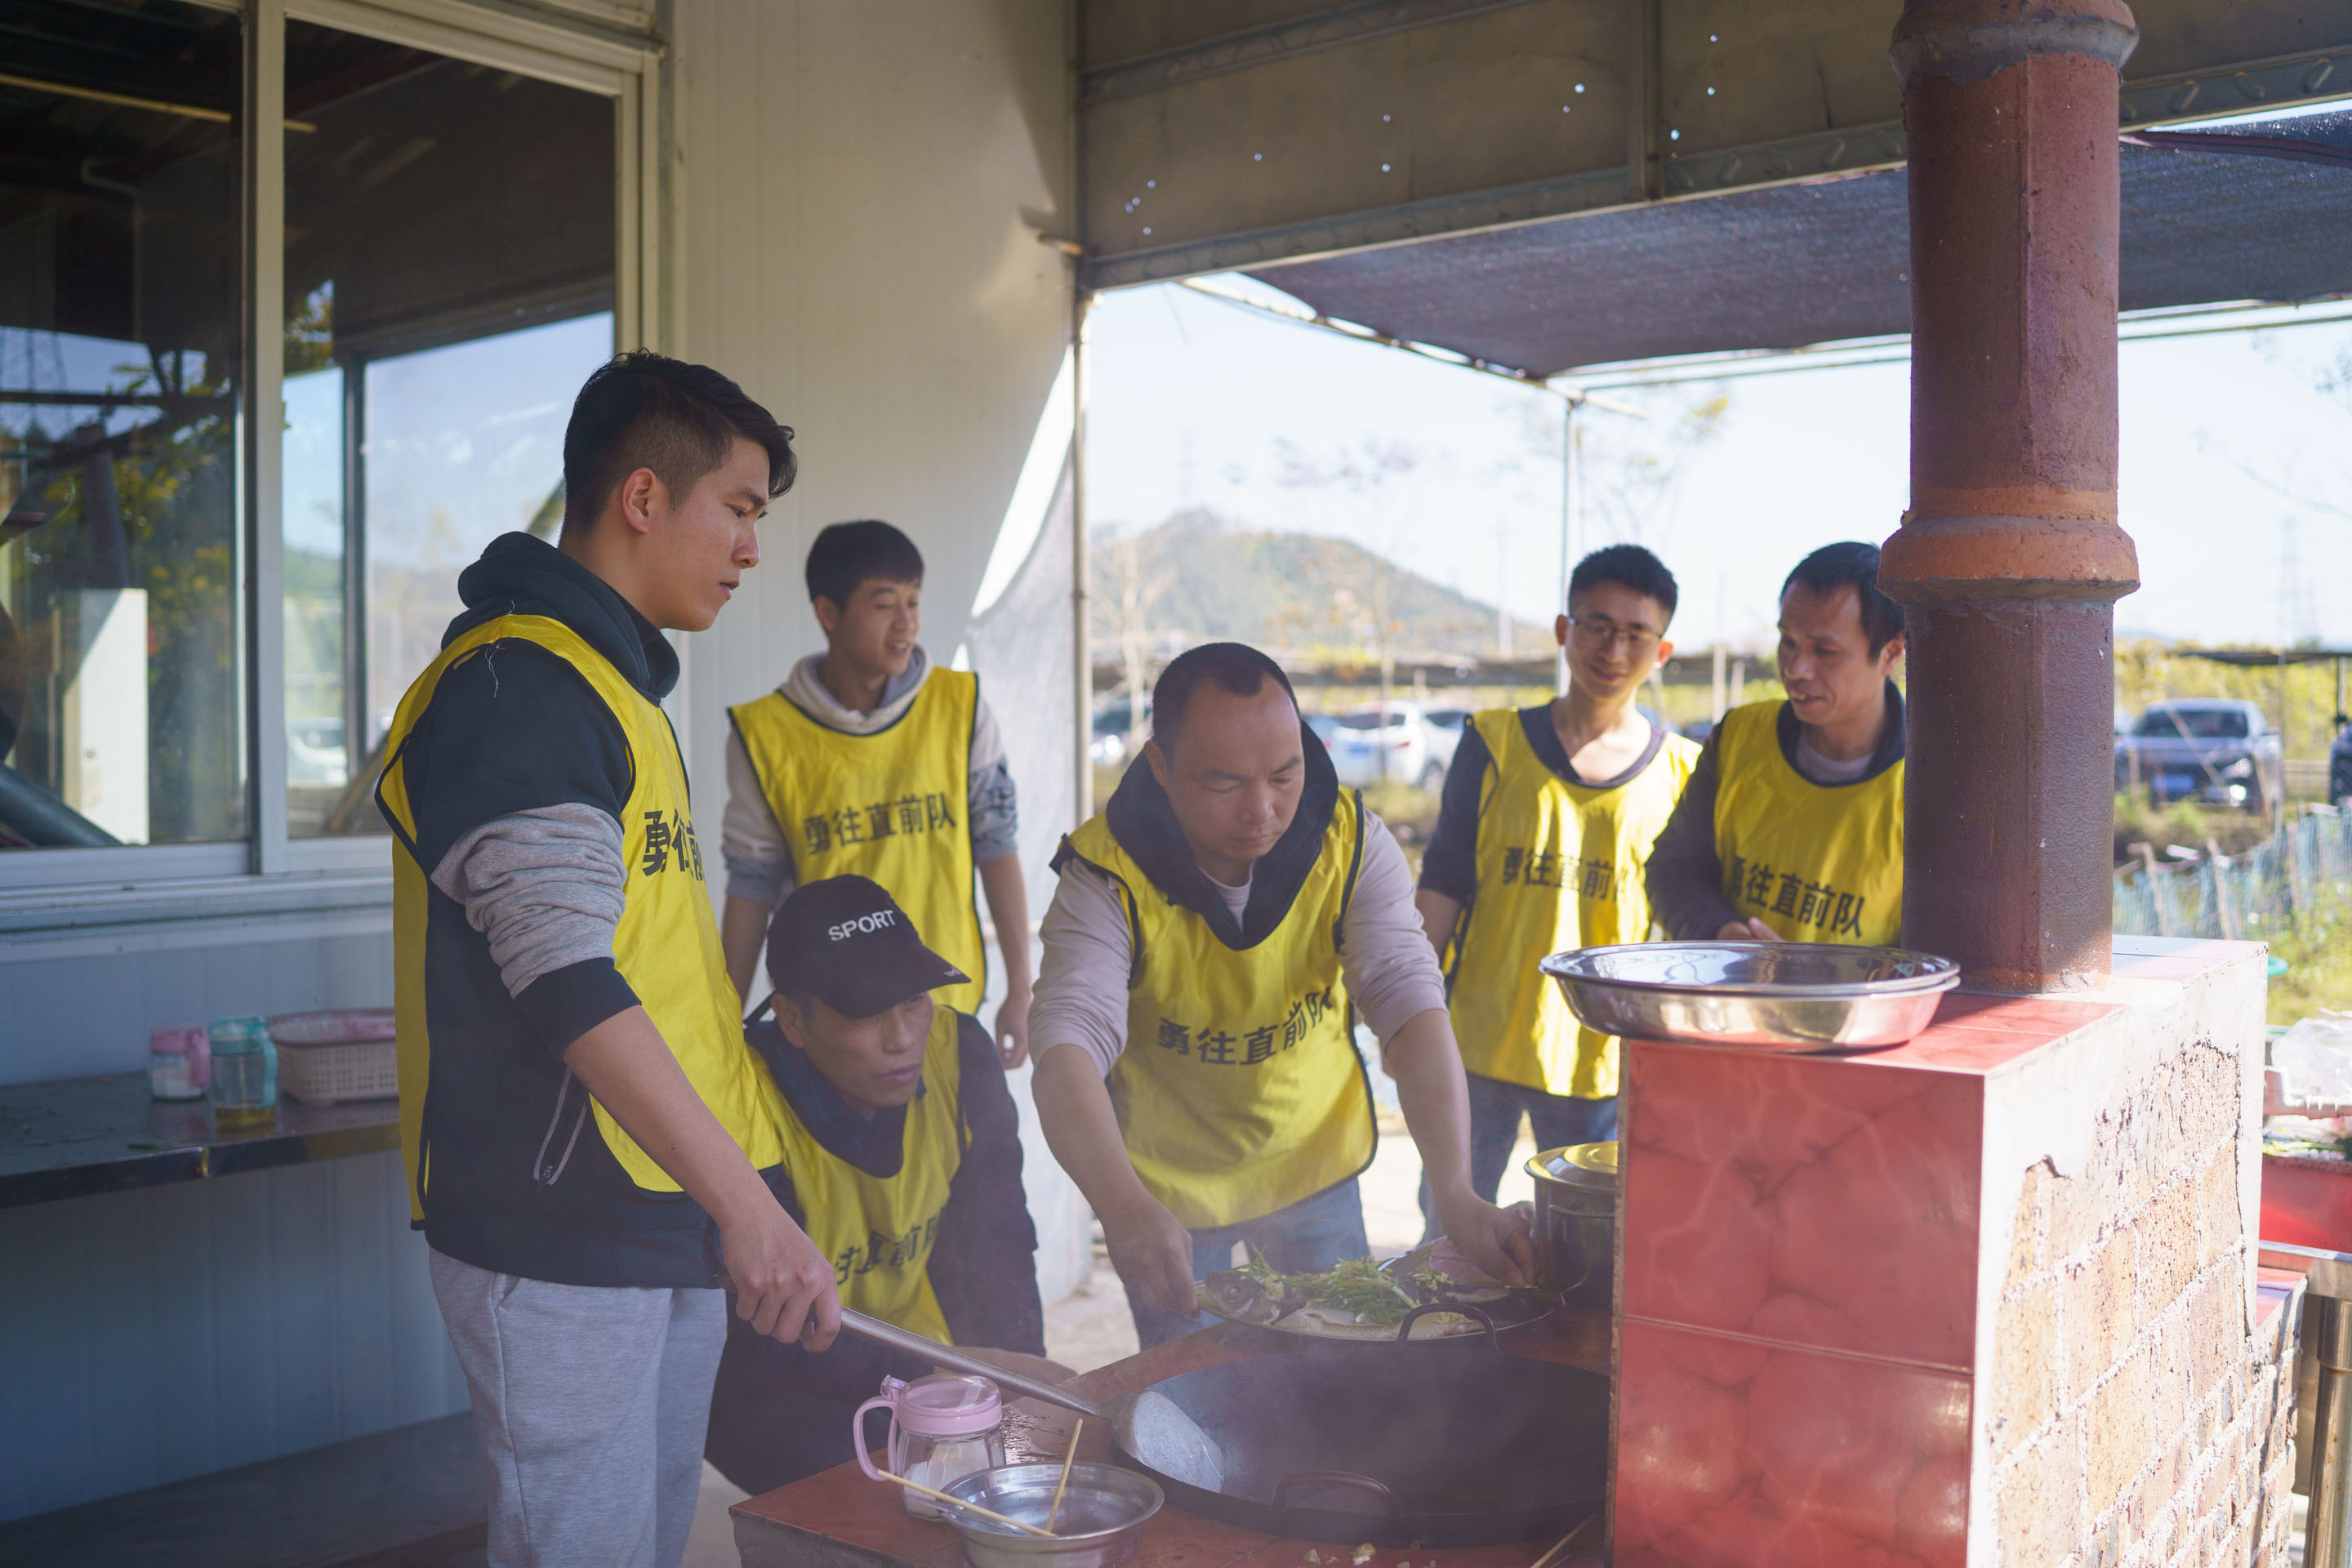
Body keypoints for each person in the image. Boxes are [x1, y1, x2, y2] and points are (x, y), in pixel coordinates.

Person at [375, 352, 838, 1568]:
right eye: (736, 512)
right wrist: (748, 1209)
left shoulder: (614, 690)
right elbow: (567, 976)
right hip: (559, 1232)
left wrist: (739, 1189)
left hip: (649, 1214)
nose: (751, 552)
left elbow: (662, 984)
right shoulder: (520, 688)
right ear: (642, 498)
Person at [1028, 642, 1534, 1349]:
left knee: (1341, 1382)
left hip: (1311, 1168)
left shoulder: (1351, 842)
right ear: (1161, 767)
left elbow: (1409, 1004)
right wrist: (1121, 1206)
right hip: (1165, 1195)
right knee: (1189, 1405)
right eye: (1224, 783)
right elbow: (1066, 1048)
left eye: (1284, 774)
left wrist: (1454, 1189)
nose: (1262, 810)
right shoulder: (1104, 875)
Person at [705, 876, 1050, 1495]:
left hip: (917, 1355)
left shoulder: (960, 1052)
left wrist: (1019, 1390)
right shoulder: (739, 1102)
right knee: (864, 1514)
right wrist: (948, 1374)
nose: (902, 1039)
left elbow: (998, 1243)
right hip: (779, 1387)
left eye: (914, 1001)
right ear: (791, 1019)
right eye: (864, 1014)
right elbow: (773, 1339)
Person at [1414, 545, 1699, 1200]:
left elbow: (1687, 918)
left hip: (1597, 1057)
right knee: (1448, 1238)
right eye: (1597, 626)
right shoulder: (1493, 741)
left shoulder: (1683, 772)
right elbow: (1445, 877)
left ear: (1662, 651)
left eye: (1635, 634)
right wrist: (1405, 1006)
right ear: (1564, 630)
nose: (1613, 650)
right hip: (1475, 1045)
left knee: (1586, 1247)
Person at [721, 520, 1034, 1067]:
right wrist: (722, 1018)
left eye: (914, 602)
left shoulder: (960, 706)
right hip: (833, 1025)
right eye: (885, 604)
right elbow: (751, 885)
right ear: (828, 613)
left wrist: (1022, 987)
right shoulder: (764, 734)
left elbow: (997, 846)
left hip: (947, 1009)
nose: (906, 623)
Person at [1644, 540, 1907, 946]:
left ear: (1891, 653)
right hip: (1730, 1004)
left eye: (1826, 651)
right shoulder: (1738, 737)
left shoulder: (1928, 783)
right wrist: (1725, 934)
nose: (1797, 669)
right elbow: (1673, 869)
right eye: (1788, 642)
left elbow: (1934, 955)